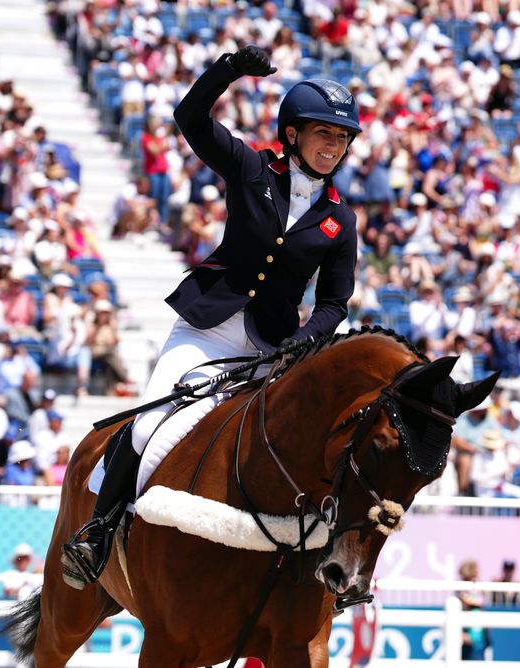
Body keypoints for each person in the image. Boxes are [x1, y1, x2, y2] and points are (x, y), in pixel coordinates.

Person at [61, 45, 362, 590]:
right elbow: (189, 118)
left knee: (313, 443)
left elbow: (335, 303)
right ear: (292, 134)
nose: (334, 146)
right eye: (324, 133)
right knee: (151, 425)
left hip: (271, 347)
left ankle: (324, 569)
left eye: (341, 138)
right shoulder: (251, 167)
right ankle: (97, 534)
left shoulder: (341, 217)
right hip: (205, 329)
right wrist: (228, 70)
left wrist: (301, 341)